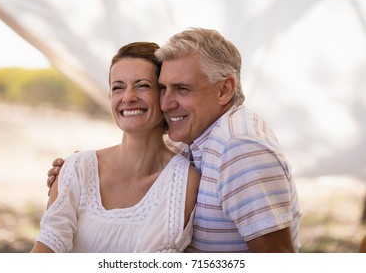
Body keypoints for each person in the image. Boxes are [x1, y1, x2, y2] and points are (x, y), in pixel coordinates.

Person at [47, 28, 301, 252]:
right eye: (163, 88)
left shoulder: (239, 149)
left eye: (182, 89)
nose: (167, 103)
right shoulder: (198, 137)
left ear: (224, 89)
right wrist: (74, 175)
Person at [31, 42, 200, 253]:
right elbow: (47, 250)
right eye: (118, 87)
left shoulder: (184, 180)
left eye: (142, 85)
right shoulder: (77, 168)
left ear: (163, 94)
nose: (128, 97)